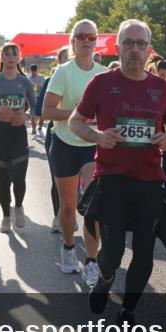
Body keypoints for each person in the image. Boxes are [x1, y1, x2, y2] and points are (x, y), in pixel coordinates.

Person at [70, 19, 166, 323]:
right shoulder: (102, 84)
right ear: (117, 47)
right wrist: (98, 137)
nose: (135, 49)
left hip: (149, 182)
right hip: (112, 180)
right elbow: (75, 121)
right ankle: (105, 279)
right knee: (113, 251)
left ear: (149, 50)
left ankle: (129, 308)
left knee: (145, 253)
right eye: (129, 43)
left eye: (141, 44)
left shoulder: (160, 88)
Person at [42, 22, 107, 283]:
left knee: (93, 205)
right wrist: (79, 115)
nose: (86, 40)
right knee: (68, 208)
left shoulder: (103, 74)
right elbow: (46, 111)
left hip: (92, 145)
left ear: (96, 42)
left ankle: (92, 260)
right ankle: (69, 248)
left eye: (91, 36)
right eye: (80, 36)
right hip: (65, 143)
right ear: (73, 42)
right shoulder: (63, 72)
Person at [0, 43, 36, 233]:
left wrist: (26, 116)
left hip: (18, 134)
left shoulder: (25, 81)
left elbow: (35, 106)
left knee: (19, 177)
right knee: (3, 180)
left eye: (15, 54)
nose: (11, 58)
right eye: (7, 54)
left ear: (19, 57)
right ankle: (6, 215)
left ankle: (19, 206)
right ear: (1, 58)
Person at [35, 47, 72, 236]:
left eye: (70, 58)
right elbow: (40, 109)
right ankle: (59, 215)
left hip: (82, 136)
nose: (69, 61)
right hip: (56, 134)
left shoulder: (88, 79)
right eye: (65, 59)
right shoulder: (52, 80)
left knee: (79, 182)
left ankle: (70, 214)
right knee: (58, 180)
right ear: (59, 62)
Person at [27, 64, 46, 137]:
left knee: (41, 115)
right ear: (30, 70)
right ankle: (34, 129)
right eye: (32, 71)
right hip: (31, 99)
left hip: (40, 98)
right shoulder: (28, 79)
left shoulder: (41, 78)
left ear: (37, 70)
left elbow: (44, 87)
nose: (33, 72)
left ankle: (40, 126)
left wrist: (36, 85)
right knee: (32, 114)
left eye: (35, 71)